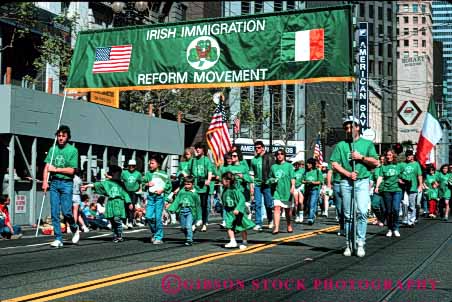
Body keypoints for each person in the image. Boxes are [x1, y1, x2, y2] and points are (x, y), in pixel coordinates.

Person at [330, 116, 379, 257]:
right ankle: (348, 243)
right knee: (348, 215)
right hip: (346, 182)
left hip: (362, 181)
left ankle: (360, 242)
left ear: (357, 127)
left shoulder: (367, 144)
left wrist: (361, 157)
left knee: (362, 212)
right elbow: (334, 163)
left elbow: (375, 162)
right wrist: (347, 173)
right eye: (346, 128)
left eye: (351, 127)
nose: (348, 130)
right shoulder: (341, 145)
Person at [42, 125, 80, 248]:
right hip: (54, 183)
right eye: (59, 136)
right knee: (54, 212)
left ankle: (75, 228)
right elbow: (47, 167)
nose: (61, 138)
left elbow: (71, 170)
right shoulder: (52, 150)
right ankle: (58, 238)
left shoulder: (73, 150)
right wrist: (44, 181)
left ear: (68, 137)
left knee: (67, 211)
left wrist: (56, 169)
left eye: (63, 136)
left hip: (66, 183)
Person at [81, 165, 132, 242]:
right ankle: (115, 235)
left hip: (119, 202)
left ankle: (119, 235)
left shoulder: (121, 183)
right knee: (112, 220)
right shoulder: (108, 183)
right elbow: (97, 184)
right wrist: (87, 186)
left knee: (117, 219)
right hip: (111, 202)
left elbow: (125, 194)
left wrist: (129, 203)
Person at [221, 172, 256, 249]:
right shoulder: (225, 190)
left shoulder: (235, 190)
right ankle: (232, 241)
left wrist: (238, 208)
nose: (221, 182)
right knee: (228, 225)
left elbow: (242, 199)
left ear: (228, 181)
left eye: (223, 180)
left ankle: (244, 241)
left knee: (242, 227)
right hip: (229, 211)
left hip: (237, 211)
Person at [142, 154, 171, 244]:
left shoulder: (163, 174)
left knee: (158, 218)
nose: (150, 165)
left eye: (152, 163)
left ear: (158, 164)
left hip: (159, 198)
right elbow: (142, 184)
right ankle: (155, 233)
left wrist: (162, 189)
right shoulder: (148, 174)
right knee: (148, 216)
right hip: (150, 197)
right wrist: (147, 184)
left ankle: (159, 237)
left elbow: (169, 185)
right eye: (150, 163)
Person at [375, 149, 403, 238]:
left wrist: (402, 180)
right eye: (387, 155)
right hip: (387, 190)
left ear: (393, 156)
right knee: (388, 211)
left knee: (396, 209)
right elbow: (380, 177)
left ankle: (396, 228)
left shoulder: (398, 166)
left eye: (390, 155)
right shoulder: (384, 167)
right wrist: (377, 186)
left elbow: (403, 175)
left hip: (397, 190)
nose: (388, 156)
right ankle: (390, 229)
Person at [267, 149, 295, 234]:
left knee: (287, 210)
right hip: (277, 190)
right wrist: (272, 180)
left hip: (286, 190)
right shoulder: (273, 167)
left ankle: (289, 225)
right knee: (276, 207)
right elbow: (270, 178)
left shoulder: (289, 166)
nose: (280, 155)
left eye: (282, 154)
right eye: (278, 154)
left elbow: (292, 177)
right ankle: (276, 228)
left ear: (284, 155)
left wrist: (293, 186)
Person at [167, 176, 201, 246]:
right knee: (183, 227)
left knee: (188, 226)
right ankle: (189, 234)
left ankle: (189, 239)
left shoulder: (194, 193)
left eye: (189, 184)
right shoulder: (182, 192)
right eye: (185, 184)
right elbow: (177, 201)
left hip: (190, 211)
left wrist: (199, 218)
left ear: (192, 184)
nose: (187, 186)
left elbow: (198, 206)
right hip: (182, 211)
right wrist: (172, 208)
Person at [250, 140, 275, 231]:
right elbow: (252, 173)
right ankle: (258, 223)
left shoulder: (269, 157)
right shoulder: (253, 160)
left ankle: (270, 220)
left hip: (267, 183)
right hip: (257, 184)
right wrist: (252, 185)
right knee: (257, 204)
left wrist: (271, 181)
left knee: (268, 204)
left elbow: (273, 170)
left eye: (259, 148)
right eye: (256, 148)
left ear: (263, 148)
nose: (257, 149)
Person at [189, 142, 213, 232]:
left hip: (204, 186)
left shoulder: (206, 160)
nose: (197, 149)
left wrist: (208, 180)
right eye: (196, 148)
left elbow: (210, 171)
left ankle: (204, 223)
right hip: (195, 185)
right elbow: (188, 170)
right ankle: (194, 222)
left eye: (199, 148)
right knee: (194, 205)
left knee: (203, 205)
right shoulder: (193, 160)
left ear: (203, 150)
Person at [399, 150, 423, 226]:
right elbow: (397, 174)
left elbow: (419, 175)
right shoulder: (402, 164)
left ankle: (411, 220)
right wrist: (399, 180)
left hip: (413, 187)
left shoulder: (416, 164)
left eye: (409, 155)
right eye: (407, 155)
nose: (408, 157)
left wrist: (420, 185)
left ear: (412, 156)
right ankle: (405, 219)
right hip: (404, 187)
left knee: (412, 204)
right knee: (404, 203)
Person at [121, 159, 143, 228]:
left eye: (133, 166)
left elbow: (140, 182)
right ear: (128, 166)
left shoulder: (138, 173)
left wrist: (140, 189)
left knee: (132, 207)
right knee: (125, 206)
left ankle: (130, 221)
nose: (131, 167)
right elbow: (121, 181)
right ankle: (124, 222)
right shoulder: (124, 173)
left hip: (134, 192)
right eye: (130, 166)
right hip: (125, 192)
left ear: (135, 166)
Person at [303, 158, 323, 225]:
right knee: (308, 205)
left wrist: (313, 182)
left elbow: (320, 181)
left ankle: (310, 218)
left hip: (315, 189)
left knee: (312, 204)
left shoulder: (317, 171)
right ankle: (313, 215)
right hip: (307, 189)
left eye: (309, 163)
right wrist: (306, 182)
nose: (307, 164)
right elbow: (302, 180)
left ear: (312, 164)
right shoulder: (306, 172)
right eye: (307, 163)